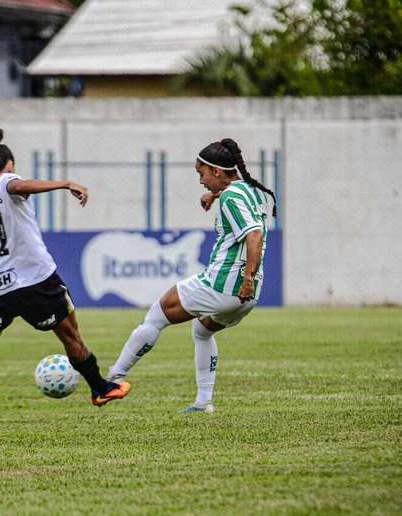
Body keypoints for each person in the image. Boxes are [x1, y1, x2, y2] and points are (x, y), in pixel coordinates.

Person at [0, 126, 130, 418]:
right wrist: (65, 184)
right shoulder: (7, 182)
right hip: (34, 280)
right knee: (71, 337)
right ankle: (100, 388)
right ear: (10, 166)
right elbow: (18, 186)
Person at [107, 138, 277, 414]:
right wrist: (215, 195)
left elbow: (254, 235)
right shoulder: (251, 191)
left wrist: (247, 277)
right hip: (248, 296)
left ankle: (113, 378)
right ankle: (203, 403)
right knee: (202, 331)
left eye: (202, 173)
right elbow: (239, 202)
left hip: (223, 284)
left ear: (217, 171)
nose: (200, 181)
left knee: (156, 315)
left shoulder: (231, 197)